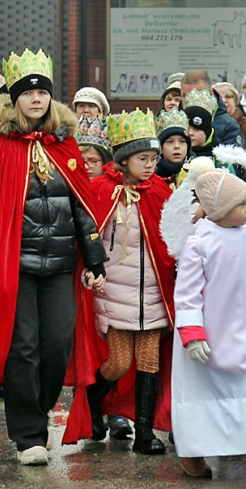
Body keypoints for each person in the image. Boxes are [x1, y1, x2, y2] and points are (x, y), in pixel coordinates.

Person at [0, 50, 108, 465]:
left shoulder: (66, 146)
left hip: (60, 267)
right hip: (14, 266)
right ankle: (28, 435)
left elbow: (83, 208)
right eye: (28, 92)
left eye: (42, 92)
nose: (36, 99)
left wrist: (94, 261)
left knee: (56, 346)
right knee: (24, 348)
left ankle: (40, 412)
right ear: (15, 99)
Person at [172, 169, 246, 482]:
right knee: (201, 393)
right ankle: (193, 454)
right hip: (208, 337)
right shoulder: (198, 243)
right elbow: (187, 294)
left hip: (245, 333)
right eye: (241, 204)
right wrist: (192, 333)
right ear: (221, 209)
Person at [73, 109, 175, 455]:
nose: (149, 165)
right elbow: (89, 239)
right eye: (142, 158)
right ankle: (92, 402)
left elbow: (172, 240)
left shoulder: (160, 190)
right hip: (114, 292)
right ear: (123, 159)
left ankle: (144, 434)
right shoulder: (101, 189)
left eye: (153, 158)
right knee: (118, 363)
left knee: (149, 361)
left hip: (153, 293)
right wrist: (92, 270)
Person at [181, 70, 242, 147]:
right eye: (184, 95)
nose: (189, 100)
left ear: (211, 93)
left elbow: (232, 157)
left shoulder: (228, 126)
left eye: (197, 94)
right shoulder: (174, 120)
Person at [74, 89, 112, 179]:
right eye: (81, 106)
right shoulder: (65, 136)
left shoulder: (112, 134)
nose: (86, 110)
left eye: (91, 106)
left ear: (100, 112)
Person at [155, 108, 191, 187]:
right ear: (160, 148)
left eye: (182, 141)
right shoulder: (151, 174)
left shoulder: (197, 173)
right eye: (170, 142)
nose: (177, 146)